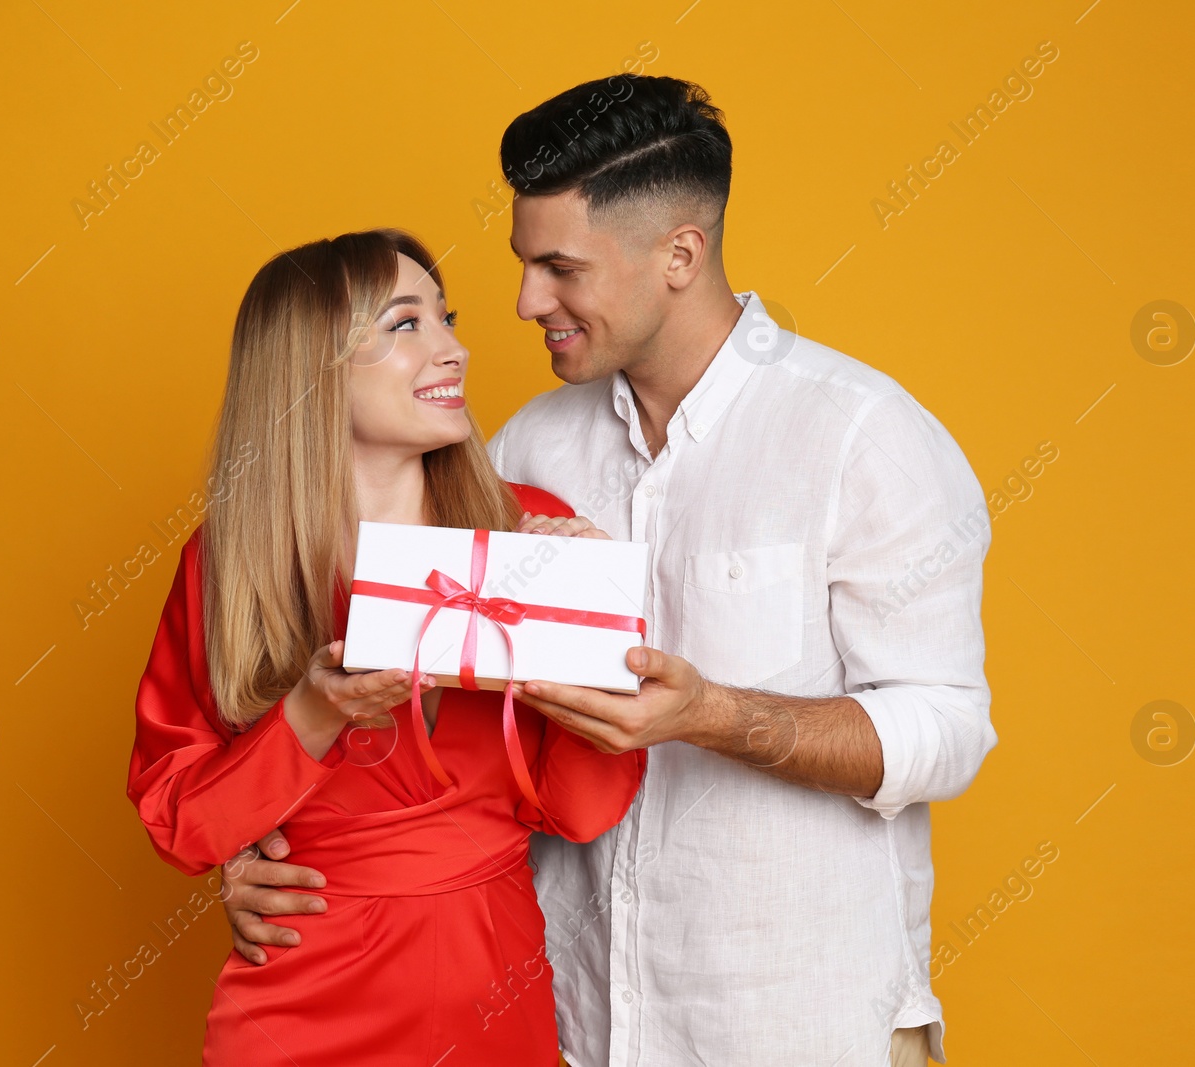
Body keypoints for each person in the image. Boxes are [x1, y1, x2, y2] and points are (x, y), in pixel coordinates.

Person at [222, 76, 996, 1067]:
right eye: (521, 264)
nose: (522, 301)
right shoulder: (518, 455)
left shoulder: (860, 435)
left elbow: (944, 730)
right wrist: (260, 854)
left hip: (795, 1020)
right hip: (575, 1024)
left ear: (680, 254)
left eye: (558, 268)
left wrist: (709, 713)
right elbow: (411, 719)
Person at [125, 227, 646, 1066]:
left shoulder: (529, 529)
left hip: (496, 990)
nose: (455, 349)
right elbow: (184, 823)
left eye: (447, 318)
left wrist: (580, 638)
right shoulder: (230, 565)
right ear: (310, 369)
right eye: (407, 325)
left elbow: (583, 811)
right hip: (305, 1004)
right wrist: (310, 711)